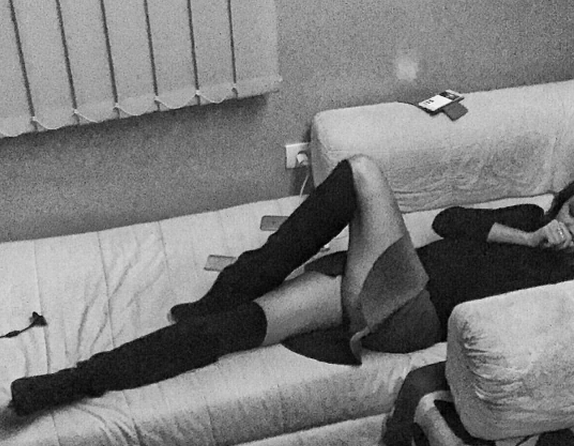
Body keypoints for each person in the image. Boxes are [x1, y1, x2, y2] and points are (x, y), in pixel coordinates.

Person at [9, 155, 574, 416]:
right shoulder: (529, 218)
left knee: (362, 172)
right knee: (234, 328)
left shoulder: (566, 279)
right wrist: (527, 237)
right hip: (375, 275)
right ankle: (67, 384)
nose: (572, 225)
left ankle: (240, 278)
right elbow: (451, 221)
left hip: (412, 308)